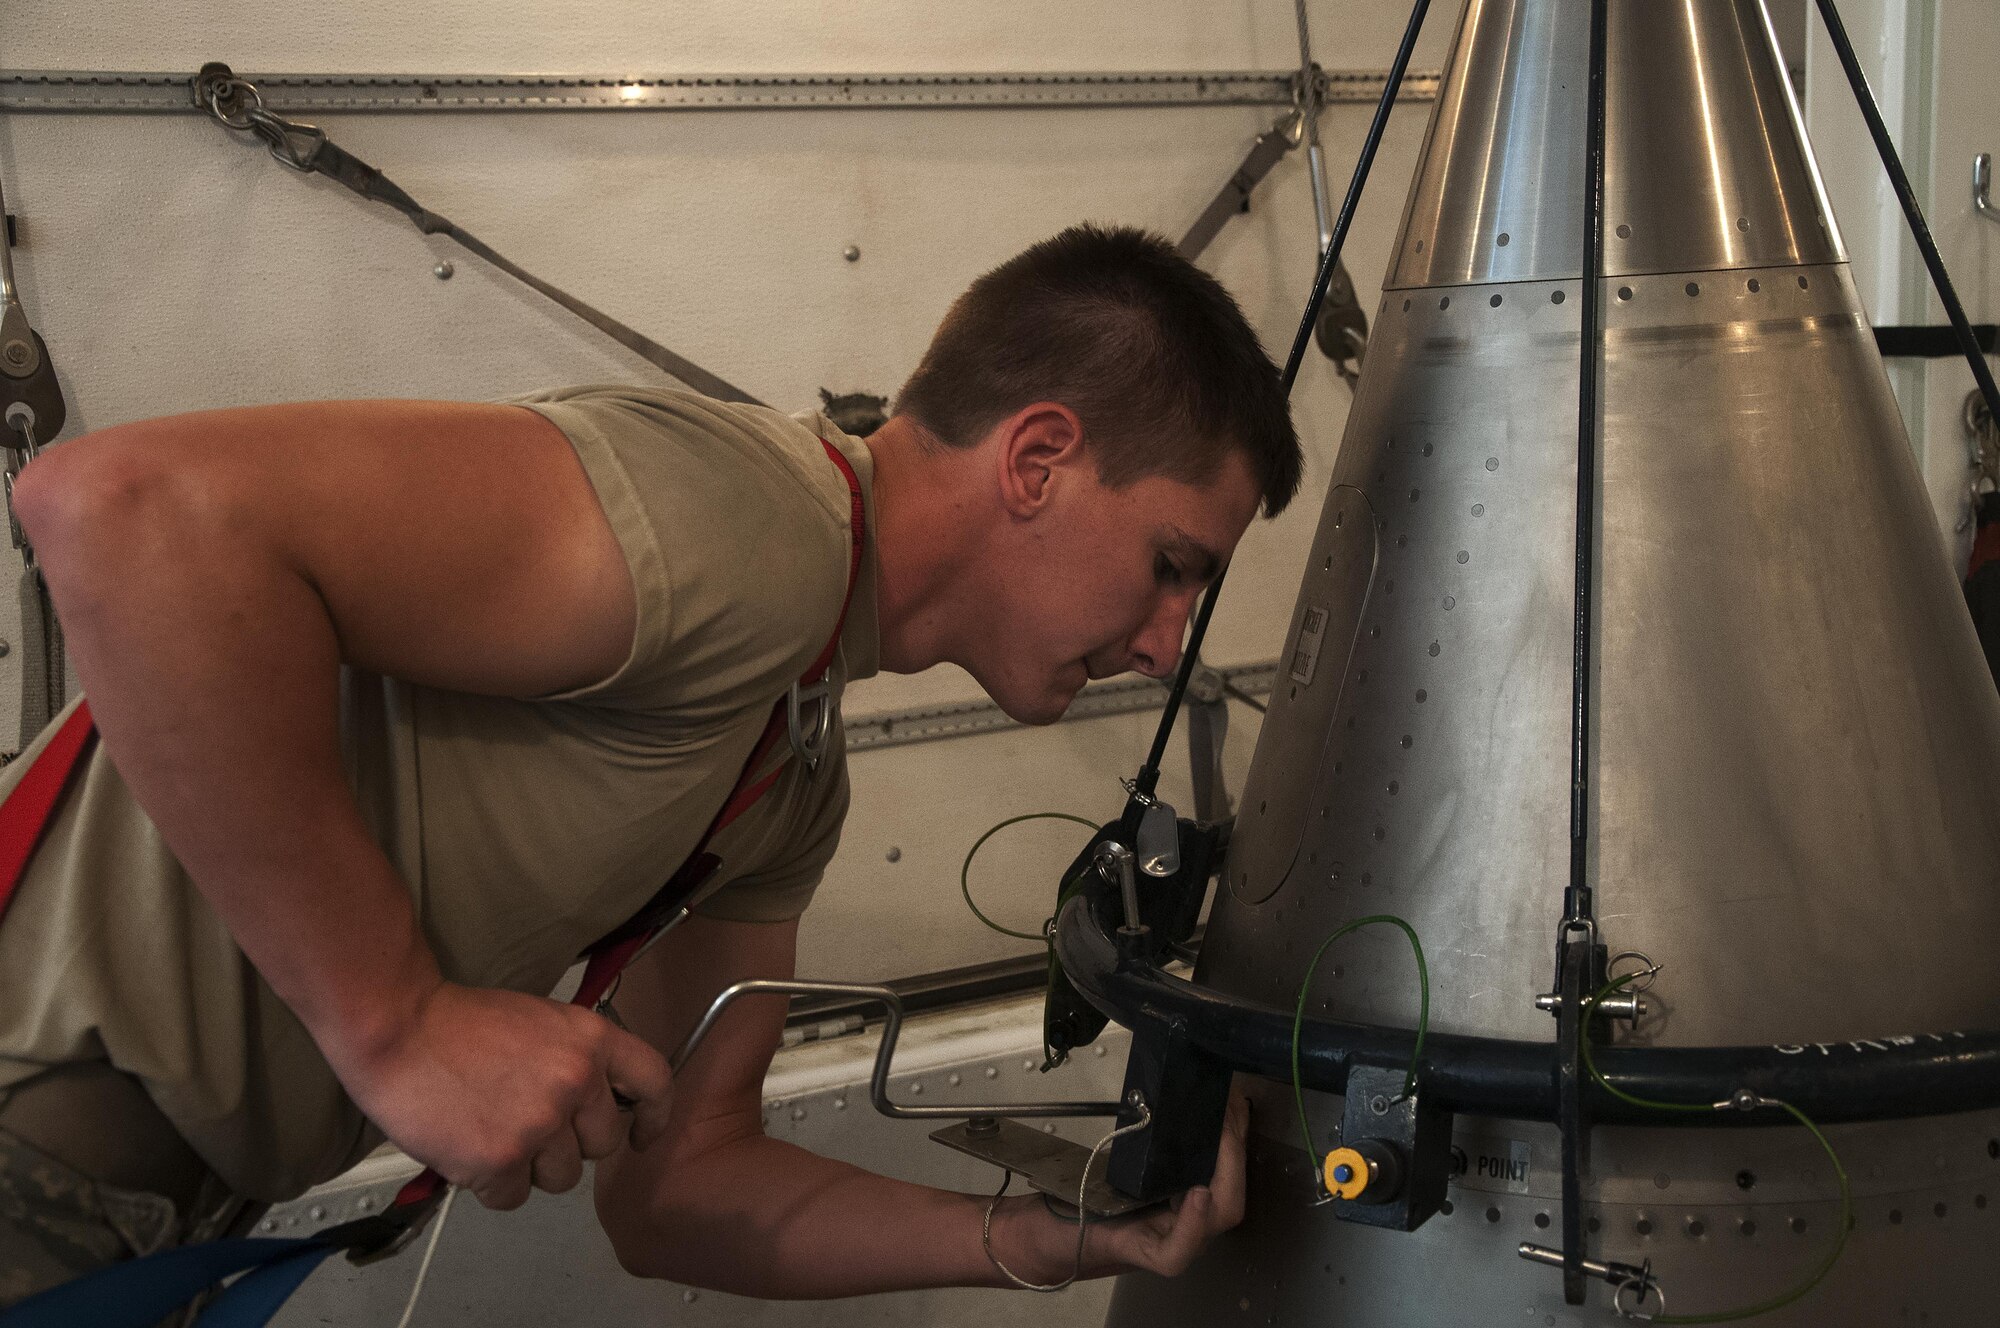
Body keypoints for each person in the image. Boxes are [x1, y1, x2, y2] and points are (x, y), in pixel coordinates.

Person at [0, 222, 1300, 1305]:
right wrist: (399, 1024)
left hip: (138, 1229)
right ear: (1036, 461)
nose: (1167, 642)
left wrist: (1048, 1235)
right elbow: (124, 511)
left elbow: (684, 1186)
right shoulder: (747, 524)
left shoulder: (790, 766)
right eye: (1173, 566)